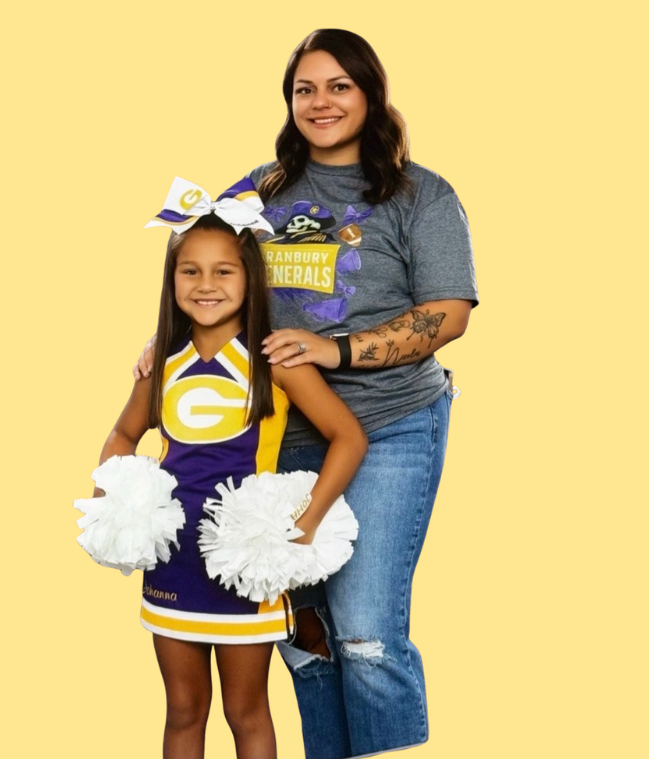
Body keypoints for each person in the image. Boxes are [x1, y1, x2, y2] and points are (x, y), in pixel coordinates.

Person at [137, 30, 479, 759]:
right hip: (283, 431)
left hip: (389, 423)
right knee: (306, 633)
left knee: (365, 632)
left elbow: (449, 311)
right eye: (305, 89)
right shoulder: (257, 189)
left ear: (371, 95)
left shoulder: (422, 193)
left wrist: (339, 349)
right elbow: (201, 266)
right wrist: (164, 344)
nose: (320, 103)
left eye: (338, 87)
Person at [99, 179, 367, 759]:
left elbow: (348, 436)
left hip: (245, 567)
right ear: (172, 283)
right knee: (183, 712)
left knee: (246, 712)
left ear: (250, 278)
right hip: (172, 564)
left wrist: (307, 522)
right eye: (190, 271)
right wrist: (119, 502)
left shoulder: (276, 360)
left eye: (224, 271)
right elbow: (123, 434)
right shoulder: (160, 365)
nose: (206, 285)